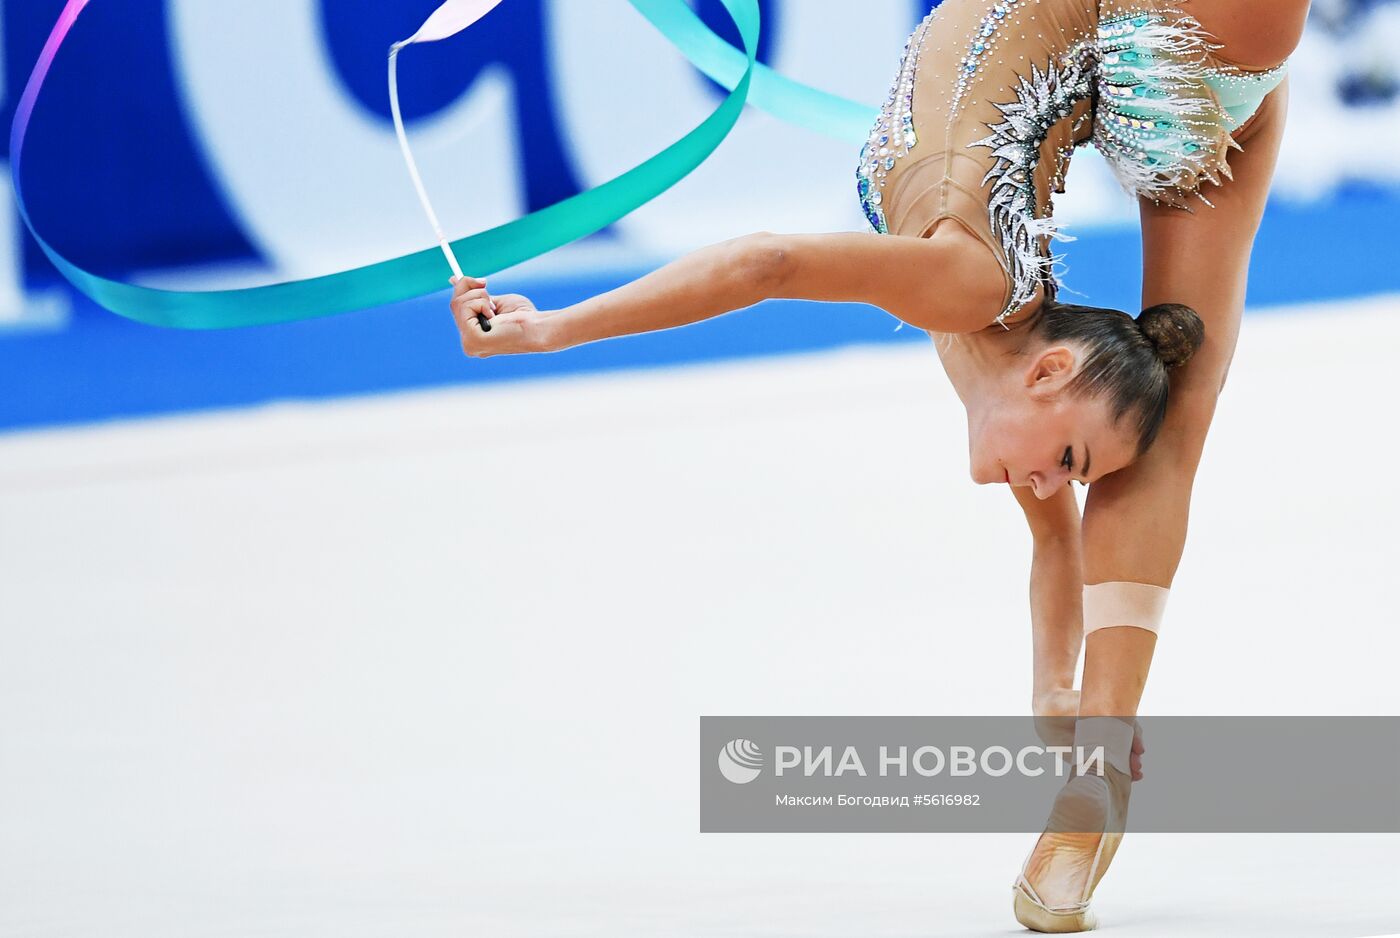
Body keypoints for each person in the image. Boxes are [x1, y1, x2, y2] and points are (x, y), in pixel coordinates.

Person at [447, 0, 1309, 930]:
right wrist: (554, 332)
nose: (1051, 485)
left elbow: (771, 264)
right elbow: (767, 263)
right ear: (1052, 367)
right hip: (1185, 55)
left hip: (1163, 57)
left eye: (1067, 467)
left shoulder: (986, 328)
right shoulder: (982, 307)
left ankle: (1094, 782)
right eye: (1068, 460)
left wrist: (1049, 685)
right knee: (1173, 415)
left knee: (1167, 413)